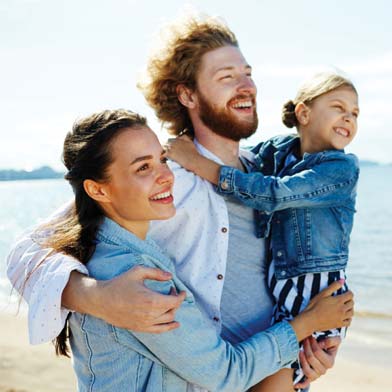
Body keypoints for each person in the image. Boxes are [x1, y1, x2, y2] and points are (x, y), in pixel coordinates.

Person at [7, 15, 343, 390]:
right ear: (188, 95)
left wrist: (314, 345)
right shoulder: (163, 179)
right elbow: (27, 251)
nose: (247, 85)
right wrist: (98, 298)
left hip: (270, 369)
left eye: (247, 73)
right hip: (208, 376)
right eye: (227, 77)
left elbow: (303, 267)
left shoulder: (266, 177)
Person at [39, 108, 352, 391]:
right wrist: (307, 324)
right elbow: (225, 373)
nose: (165, 175)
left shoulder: (116, 248)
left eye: (161, 159)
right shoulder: (136, 280)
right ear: (97, 189)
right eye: (143, 168)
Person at [165, 72, 360, 391]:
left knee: (282, 379)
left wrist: (194, 161)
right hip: (283, 296)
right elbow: (235, 159)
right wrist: (189, 141)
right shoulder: (277, 151)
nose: (348, 118)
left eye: (355, 113)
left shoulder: (341, 168)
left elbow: (272, 194)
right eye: (338, 107)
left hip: (317, 292)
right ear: (304, 113)